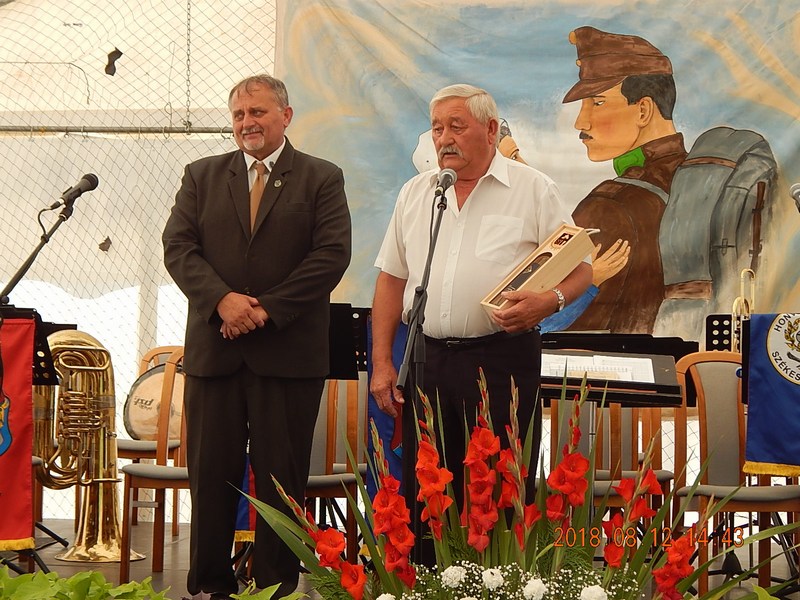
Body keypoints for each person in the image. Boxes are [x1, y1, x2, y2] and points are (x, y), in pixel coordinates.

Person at [369, 84, 592, 545]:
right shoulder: (417, 193)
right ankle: (429, 577)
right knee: (428, 490)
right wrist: (383, 362)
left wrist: (550, 301)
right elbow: (391, 280)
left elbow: (582, 267)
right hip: (427, 360)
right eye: (436, 128)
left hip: (501, 361)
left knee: (499, 489)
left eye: (456, 126)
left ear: (491, 130)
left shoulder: (532, 188)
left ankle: (497, 579)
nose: (444, 138)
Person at [162, 74, 351, 599]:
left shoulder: (321, 177)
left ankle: (277, 588)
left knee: (280, 483)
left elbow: (331, 256)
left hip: (287, 359)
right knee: (210, 477)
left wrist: (264, 310)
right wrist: (221, 300)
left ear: (285, 116)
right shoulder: (201, 175)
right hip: (215, 354)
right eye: (240, 114)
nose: (248, 123)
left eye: (258, 112)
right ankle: (209, 587)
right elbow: (178, 247)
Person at [562, 26, 688, 334]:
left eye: (597, 102)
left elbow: (558, 323)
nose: (580, 122)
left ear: (643, 110)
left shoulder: (608, 205)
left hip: (603, 364)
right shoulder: (690, 178)